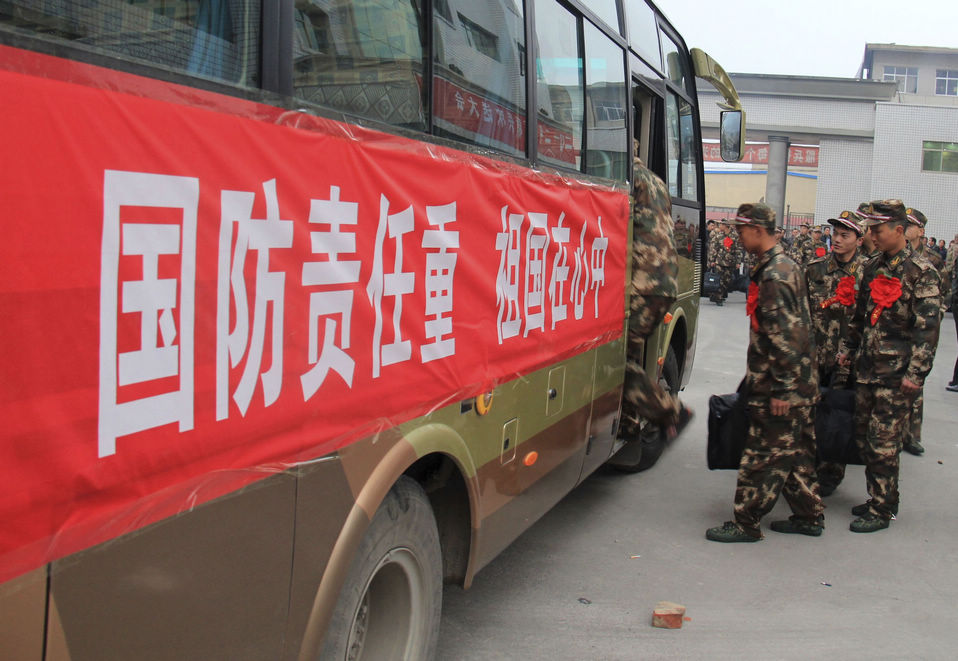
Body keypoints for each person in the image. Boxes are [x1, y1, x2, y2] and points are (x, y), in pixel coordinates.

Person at [706, 203, 823, 542]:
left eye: (741, 231)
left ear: (758, 230)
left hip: (784, 384)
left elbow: (786, 337)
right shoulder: (781, 266)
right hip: (795, 380)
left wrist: (783, 391)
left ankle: (746, 523)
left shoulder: (775, 274)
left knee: (761, 455)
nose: (738, 237)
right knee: (796, 451)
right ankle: (808, 515)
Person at [838, 200, 941, 533]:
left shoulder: (920, 272)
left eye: (877, 230)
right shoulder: (871, 267)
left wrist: (917, 374)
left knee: (884, 441)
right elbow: (860, 316)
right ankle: (878, 496)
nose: (872, 235)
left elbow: (927, 329)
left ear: (899, 230)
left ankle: (883, 507)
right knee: (864, 436)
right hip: (868, 369)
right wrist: (849, 349)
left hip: (896, 376)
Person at [621, 155, 688, 439]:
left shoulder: (626, 177)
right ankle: (628, 422)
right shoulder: (657, 181)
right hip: (665, 280)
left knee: (615, 361)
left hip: (643, 281)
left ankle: (668, 410)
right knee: (630, 353)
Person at [803, 210, 867, 496]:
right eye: (835, 234)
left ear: (859, 240)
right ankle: (805, 468)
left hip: (846, 361)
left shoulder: (868, 273)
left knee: (839, 418)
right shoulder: (815, 269)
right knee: (809, 414)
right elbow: (801, 313)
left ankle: (831, 474)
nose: (837, 240)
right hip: (815, 357)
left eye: (845, 235)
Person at [902, 208, 944, 456]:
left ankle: (911, 436)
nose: (906, 229)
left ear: (920, 231)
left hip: (922, 327)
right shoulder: (896, 257)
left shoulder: (932, 260)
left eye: (910, 225)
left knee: (915, 385)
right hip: (899, 329)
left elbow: (943, 291)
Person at [708, 221, 736, 305]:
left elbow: (738, 249)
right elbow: (714, 249)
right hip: (719, 262)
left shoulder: (734, 236)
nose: (720, 226)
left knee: (727, 280)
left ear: (725, 226)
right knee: (719, 280)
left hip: (730, 262)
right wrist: (712, 261)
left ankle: (719, 294)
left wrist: (738, 262)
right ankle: (718, 297)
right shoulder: (718, 236)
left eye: (721, 225)